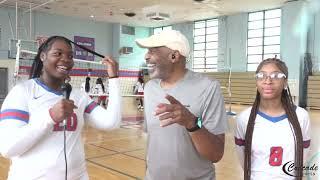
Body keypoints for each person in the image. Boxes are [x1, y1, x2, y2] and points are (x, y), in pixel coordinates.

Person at [0, 36, 121, 180]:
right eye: (58, 53)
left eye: (70, 56)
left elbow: (110, 122)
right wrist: (50, 117)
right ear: (43, 56)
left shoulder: (79, 96)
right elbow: (8, 148)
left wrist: (114, 79)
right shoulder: (22, 92)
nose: (65, 59)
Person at [135, 30, 227, 180]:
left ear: (174, 56)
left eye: (152, 51)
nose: (146, 56)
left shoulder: (208, 87)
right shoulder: (150, 88)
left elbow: (216, 153)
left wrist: (192, 122)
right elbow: (153, 146)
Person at [234, 58, 311, 180]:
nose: (267, 80)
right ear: (256, 82)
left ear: (285, 82)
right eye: (261, 75)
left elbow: (303, 155)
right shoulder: (244, 119)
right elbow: (243, 159)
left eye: (275, 75)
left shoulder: (301, 117)